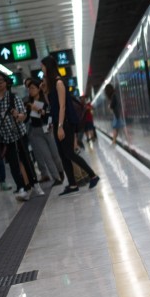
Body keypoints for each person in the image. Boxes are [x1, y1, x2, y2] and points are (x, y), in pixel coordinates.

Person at [42, 54, 99, 195]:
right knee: (63, 155)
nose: (42, 69)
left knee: (69, 153)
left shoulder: (59, 83)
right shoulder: (50, 85)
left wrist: (60, 126)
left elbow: (62, 107)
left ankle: (93, 175)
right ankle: (72, 184)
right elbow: (52, 106)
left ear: (48, 67)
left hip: (65, 123)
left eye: (43, 66)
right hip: (57, 122)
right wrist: (44, 91)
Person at [0, 72, 43, 201]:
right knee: (13, 164)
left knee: (26, 159)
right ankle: (22, 188)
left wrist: (18, 116)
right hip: (3, 138)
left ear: (6, 83)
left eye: (0, 80)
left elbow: (24, 115)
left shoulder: (13, 98)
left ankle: (35, 184)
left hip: (19, 134)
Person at [24, 79, 63, 184]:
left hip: (48, 128)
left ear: (38, 89)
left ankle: (61, 171)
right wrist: (20, 116)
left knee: (55, 154)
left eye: (32, 88)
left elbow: (50, 113)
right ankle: (56, 178)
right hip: (36, 132)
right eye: (29, 88)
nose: (30, 90)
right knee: (46, 156)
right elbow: (26, 118)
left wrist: (37, 110)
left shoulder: (45, 100)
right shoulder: (29, 103)